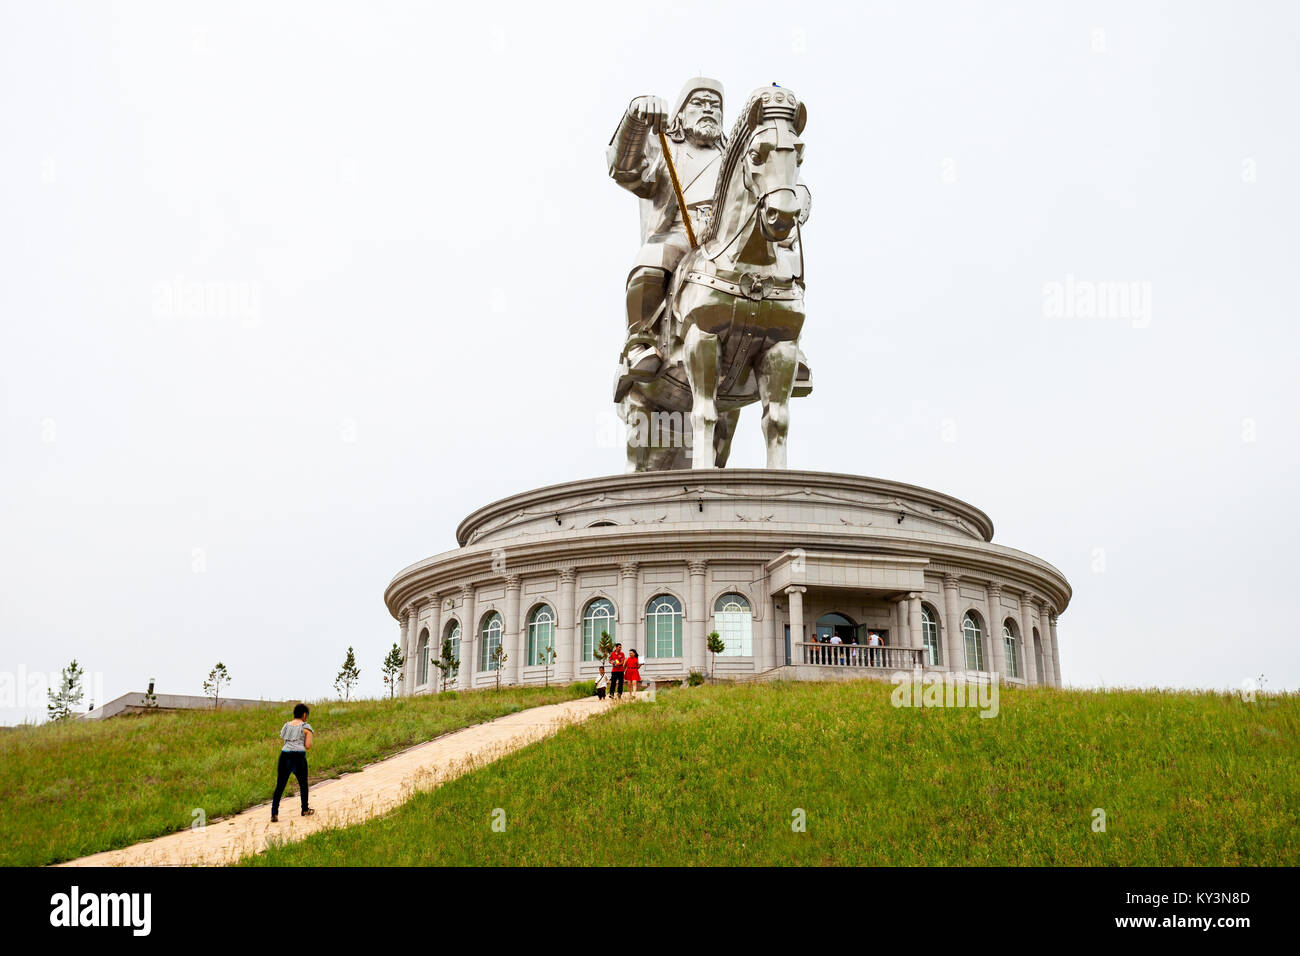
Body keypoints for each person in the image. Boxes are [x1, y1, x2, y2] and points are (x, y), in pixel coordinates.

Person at [607, 78, 727, 401]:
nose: (708, 110)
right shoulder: (666, 147)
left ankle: (782, 342)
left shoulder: (733, 157)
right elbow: (625, 169)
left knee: (775, 260)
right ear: (682, 112)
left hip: (725, 238)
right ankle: (640, 341)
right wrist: (636, 119)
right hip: (679, 233)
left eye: (715, 106)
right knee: (654, 255)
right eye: (700, 103)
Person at [271, 703, 315, 822]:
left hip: (284, 755)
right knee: (303, 784)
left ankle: (274, 813)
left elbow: (284, 739)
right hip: (298, 757)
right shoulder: (306, 727)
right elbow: (308, 745)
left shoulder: (286, 725)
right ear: (304, 715)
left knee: (280, 785)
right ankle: (304, 809)